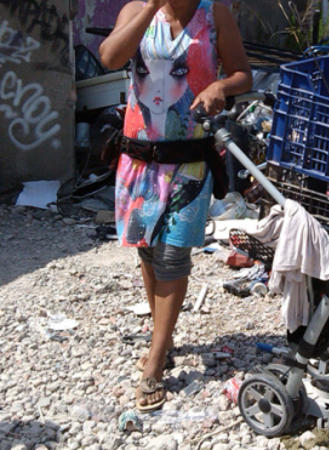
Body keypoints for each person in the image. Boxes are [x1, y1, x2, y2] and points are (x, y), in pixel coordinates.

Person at [99, 0, 252, 411]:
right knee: (147, 252)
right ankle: (161, 339)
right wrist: (149, 9)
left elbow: (242, 73)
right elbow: (111, 57)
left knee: (173, 254)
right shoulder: (137, 9)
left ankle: (155, 361)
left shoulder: (213, 13)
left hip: (191, 159)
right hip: (138, 157)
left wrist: (221, 86)